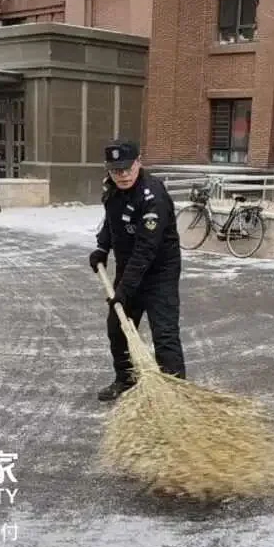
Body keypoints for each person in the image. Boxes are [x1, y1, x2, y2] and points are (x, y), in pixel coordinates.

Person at [88, 140, 186, 401]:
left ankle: (175, 392)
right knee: (117, 327)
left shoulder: (153, 196)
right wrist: (102, 247)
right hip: (129, 268)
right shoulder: (112, 190)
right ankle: (126, 379)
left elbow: (146, 249)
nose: (122, 175)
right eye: (115, 170)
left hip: (158, 273)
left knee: (164, 334)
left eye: (127, 168)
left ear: (138, 163)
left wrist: (124, 289)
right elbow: (112, 222)